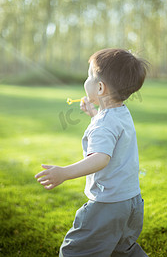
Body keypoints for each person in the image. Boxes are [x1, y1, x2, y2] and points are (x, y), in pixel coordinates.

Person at [35, 48, 149, 257]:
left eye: (89, 75)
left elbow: (100, 158)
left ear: (99, 87)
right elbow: (110, 129)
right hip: (131, 202)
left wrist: (64, 173)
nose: (85, 80)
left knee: (75, 252)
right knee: (122, 250)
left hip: (108, 205)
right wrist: (94, 114)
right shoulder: (121, 113)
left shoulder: (103, 125)